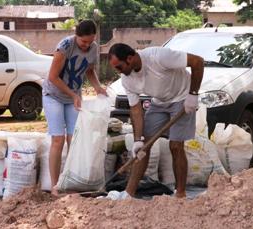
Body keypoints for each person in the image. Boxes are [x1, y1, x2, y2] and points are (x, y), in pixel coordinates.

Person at [108, 43, 204, 198]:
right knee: (142, 148)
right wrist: (138, 139)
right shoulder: (127, 80)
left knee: (175, 146)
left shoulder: (158, 57)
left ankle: (180, 194)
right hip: (159, 102)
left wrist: (193, 94)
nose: (118, 71)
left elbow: (197, 61)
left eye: (119, 67)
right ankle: (128, 194)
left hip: (182, 98)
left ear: (130, 58)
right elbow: (136, 110)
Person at [42, 19, 107, 196]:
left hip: (73, 98)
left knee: (75, 140)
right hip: (54, 96)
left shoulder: (93, 48)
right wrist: (73, 94)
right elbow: (53, 77)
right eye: (83, 41)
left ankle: (71, 181)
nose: (86, 45)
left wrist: (98, 87)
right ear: (76, 36)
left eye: (90, 41)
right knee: (58, 140)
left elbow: (89, 70)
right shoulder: (65, 46)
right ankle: (55, 186)